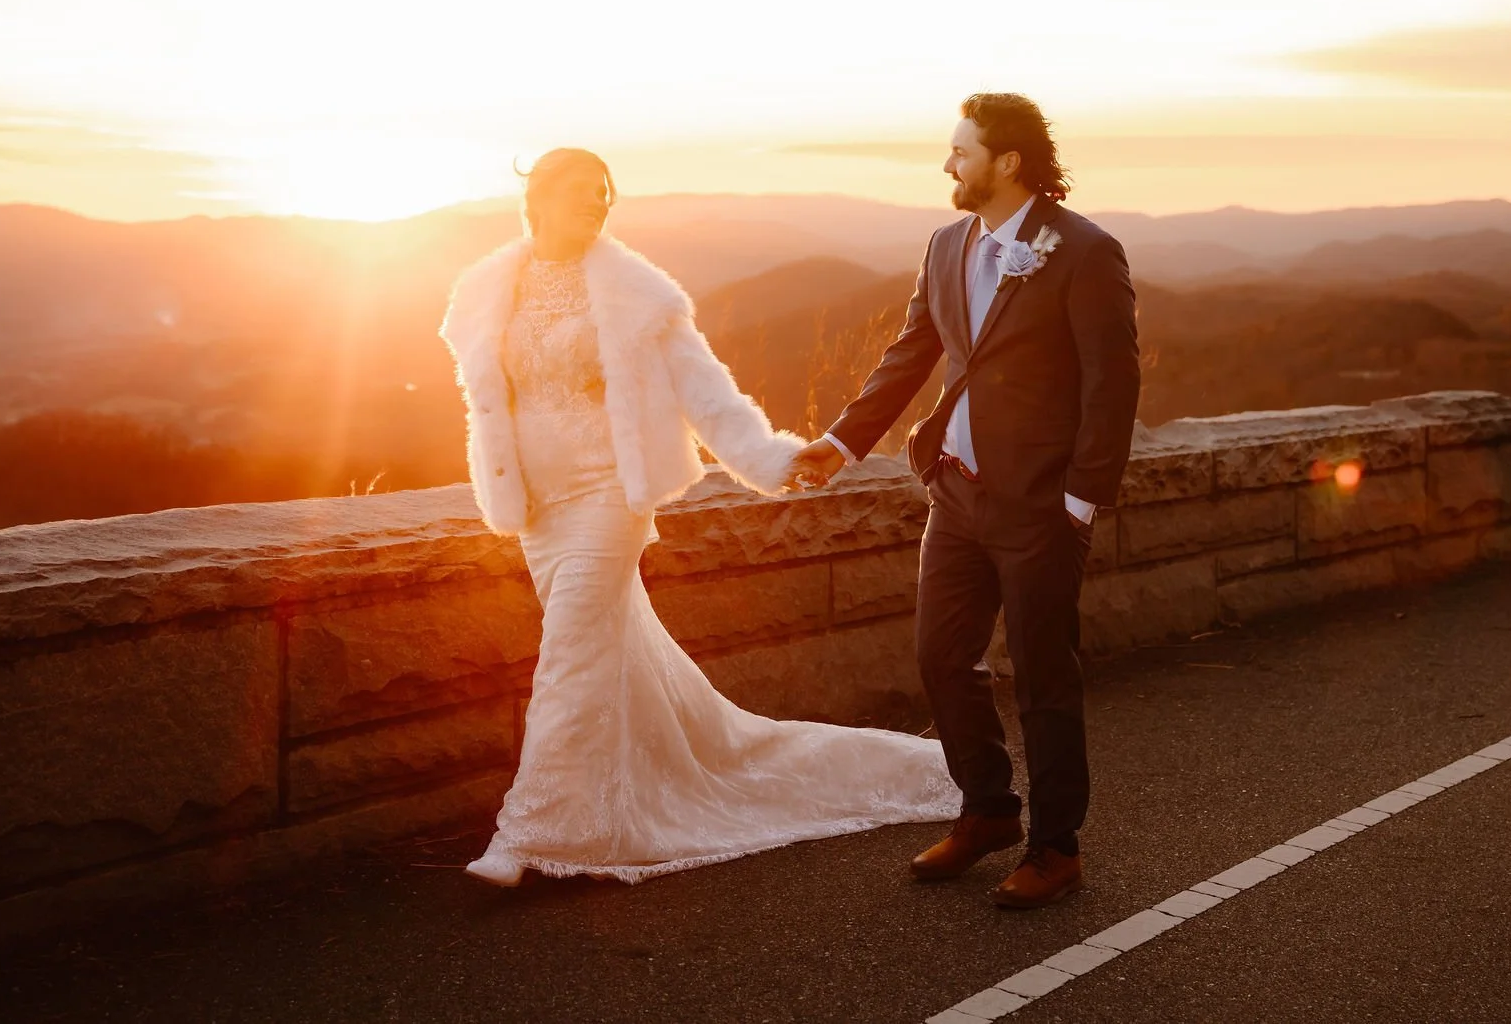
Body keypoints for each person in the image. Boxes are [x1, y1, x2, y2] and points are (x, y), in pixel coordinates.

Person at [443, 147, 959, 886]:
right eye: (584, 194)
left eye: (605, 194)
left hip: (606, 497)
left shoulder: (634, 292)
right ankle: (637, 792)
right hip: (538, 509)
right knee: (607, 659)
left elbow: (704, 392)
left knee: (567, 655)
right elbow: (488, 403)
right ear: (541, 199)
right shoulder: (488, 288)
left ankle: (530, 834)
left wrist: (775, 459)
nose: (598, 204)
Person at [787, 93, 1141, 909]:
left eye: (960, 151)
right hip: (956, 493)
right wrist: (840, 444)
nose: (947, 164)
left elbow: (1111, 384)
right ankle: (987, 811)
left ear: (1006, 162)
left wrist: (1081, 504)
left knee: (1043, 677)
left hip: (1041, 507)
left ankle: (1056, 848)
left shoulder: (1085, 251)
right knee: (942, 658)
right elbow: (911, 351)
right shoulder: (948, 244)